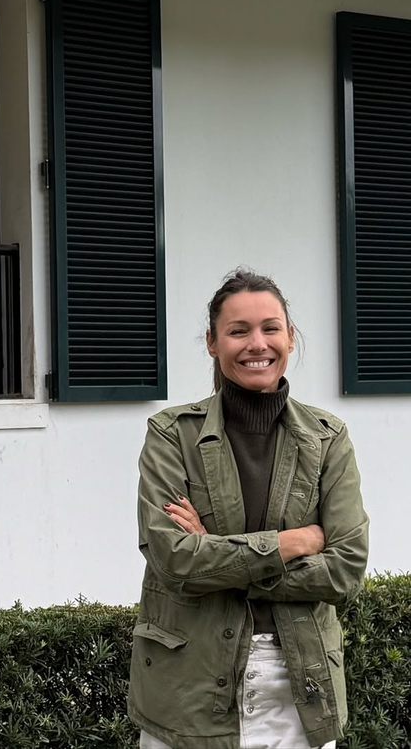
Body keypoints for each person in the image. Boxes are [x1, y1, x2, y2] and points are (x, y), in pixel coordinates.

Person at [128, 269, 369, 749]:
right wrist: (293, 542)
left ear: (291, 337)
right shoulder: (172, 434)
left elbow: (345, 570)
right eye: (238, 331)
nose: (257, 344)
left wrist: (215, 554)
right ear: (213, 343)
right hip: (187, 686)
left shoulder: (328, 438)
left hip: (301, 684)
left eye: (270, 328)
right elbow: (174, 559)